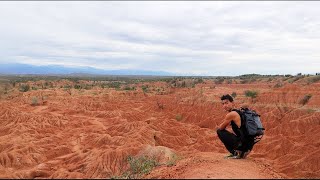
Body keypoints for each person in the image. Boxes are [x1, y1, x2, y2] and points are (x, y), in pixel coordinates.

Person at [216, 94, 254, 159]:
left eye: (226, 103)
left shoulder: (232, 114)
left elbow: (221, 128)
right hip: (248, 145)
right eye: (223, 104)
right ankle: (240, 152)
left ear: (232, 103)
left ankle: (236, 153)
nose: (225, 105)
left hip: (244, 145)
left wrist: (218, 126)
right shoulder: (238, 111)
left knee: (219, 131)